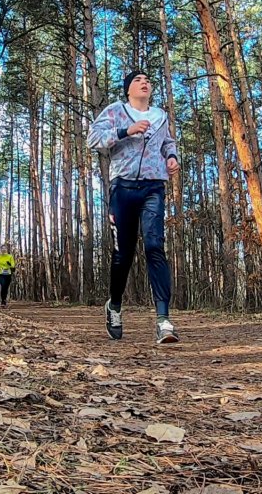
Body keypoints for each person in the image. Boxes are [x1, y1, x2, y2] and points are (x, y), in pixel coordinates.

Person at [86, 70, 180, 343]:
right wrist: (126, 131)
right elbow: (93, 139)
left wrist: (171, 157)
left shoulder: (160, 116)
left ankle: (163, 320)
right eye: (138, 80)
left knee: (154, 246)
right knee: (123, 254)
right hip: (123, 188)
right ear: (128, 89)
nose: (144, 83)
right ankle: (114, 305)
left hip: (153, 187)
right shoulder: (116, 111)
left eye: (147, 80)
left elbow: (168, 142)